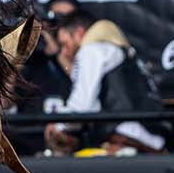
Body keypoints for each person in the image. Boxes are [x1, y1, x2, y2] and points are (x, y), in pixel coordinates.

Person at [44, 18, 132, 154]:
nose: (65, 52)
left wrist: (57, 125)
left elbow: (82, 107)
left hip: (130, 135)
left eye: (65, 44)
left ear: (79, 34)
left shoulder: (92, 50)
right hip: (142, 131)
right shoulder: (111, 49)